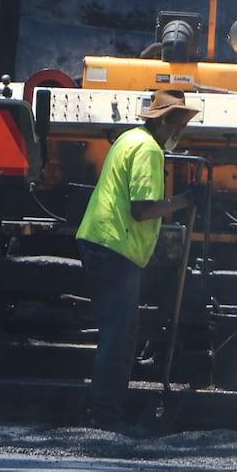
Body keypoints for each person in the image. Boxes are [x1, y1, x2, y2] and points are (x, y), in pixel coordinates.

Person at [76, 90, 201, 428]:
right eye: (179, 124)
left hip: (104, 243)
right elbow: (142, 208)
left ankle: (100, 408)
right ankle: (106, 416)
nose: (182, 132)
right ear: (163, 120)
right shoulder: (148, 149)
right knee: (119, 337)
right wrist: (186, 200)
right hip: (114, 247)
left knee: (115, 332)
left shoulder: (130, 138)